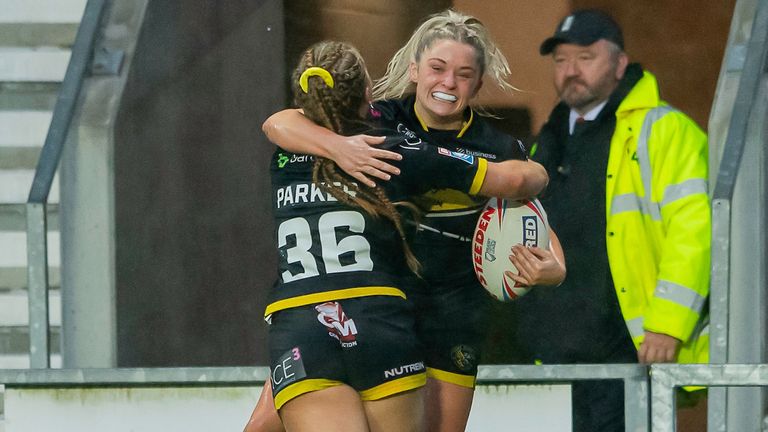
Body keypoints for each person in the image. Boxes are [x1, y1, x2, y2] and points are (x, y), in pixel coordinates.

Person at [246, 10, 567, 432]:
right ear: (414, 69)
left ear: (479, 82)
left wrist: (555, 270)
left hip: (449, 312)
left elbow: (534, 215)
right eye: (438, 68)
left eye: (464, 74)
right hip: (371, 298)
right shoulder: (377, 120)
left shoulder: (496, 145)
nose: (448, 83)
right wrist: (340, 147)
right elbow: (279, 122)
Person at [511, 9, 710, 432]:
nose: (570, 71)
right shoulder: (544, 143)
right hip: (547, 359)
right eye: (561, 61)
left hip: (629, 355)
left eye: (585, 57)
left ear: (620, 64)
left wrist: (667, 325)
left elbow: (693, 233)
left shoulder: (665, 131)